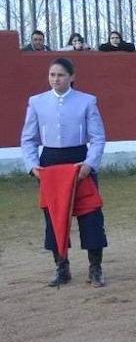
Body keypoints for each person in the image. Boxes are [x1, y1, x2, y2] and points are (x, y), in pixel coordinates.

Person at [20, 57, 109, 287]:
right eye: (52, 75)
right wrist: (32, 166)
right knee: (54, 217)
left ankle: (95, 268)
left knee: (91, 215)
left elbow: (98, 137)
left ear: (72, 77)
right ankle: (61, 267)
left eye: (60, 75)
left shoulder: (87, 101)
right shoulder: (37, 102)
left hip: (80, 161)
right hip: (50, 163)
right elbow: (28, 139)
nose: (55, 79)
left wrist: (89, 163)